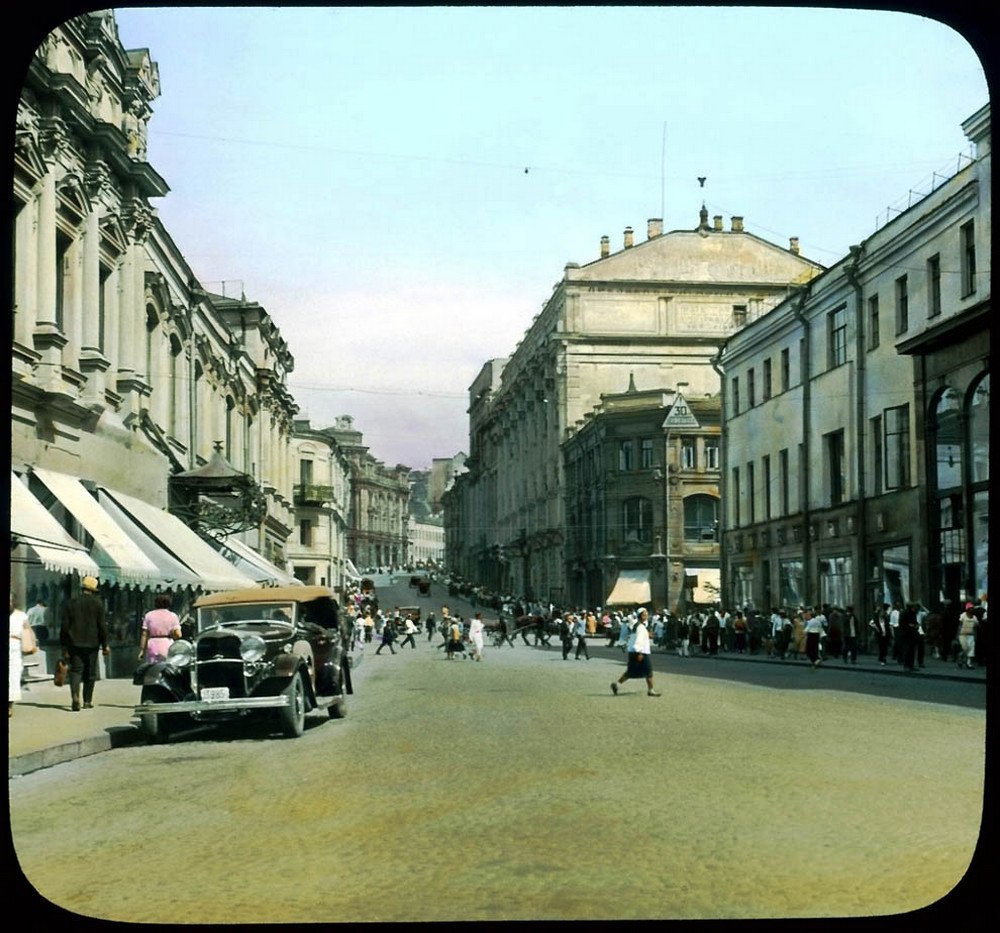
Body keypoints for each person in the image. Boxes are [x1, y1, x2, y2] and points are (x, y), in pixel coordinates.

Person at [60, 576, 109, 711]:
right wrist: (105, 645)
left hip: (74, 643)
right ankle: (87, 701)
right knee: (90, 672)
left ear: (83, 587)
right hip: (93, 644)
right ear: (94, 590)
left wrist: (64, 645)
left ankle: (75, 696)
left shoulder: (72, 603)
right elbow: (102, 626)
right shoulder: (98, 604)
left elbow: (64, 626)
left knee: (76, 671)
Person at [610, 608, 660, 696]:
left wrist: (647, 635)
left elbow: (635, 637)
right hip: (641, 652)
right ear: (640, 616)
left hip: (633, 651)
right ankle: (651, 690)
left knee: (630, 671)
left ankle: (617, 684)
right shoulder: (640, 627)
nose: (646, 617)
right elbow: (639, 640)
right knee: (649, 671)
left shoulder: (637, 626)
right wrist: (639, 652)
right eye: (644, 615)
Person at [138, 593, 182, 663]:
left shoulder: (149, 615)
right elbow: (178, 634)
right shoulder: (173, 616)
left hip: (152, 644)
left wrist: (142, 650)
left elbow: (144, 634)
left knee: (152, 667)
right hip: (167, 644)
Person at [10, 593, 33, 718]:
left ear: (14, 602)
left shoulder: (21, 616)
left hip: (14, 649)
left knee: (13, 677)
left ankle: (9, 705)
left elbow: (28, 630)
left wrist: (31, 643)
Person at [957, 603, 977, 669]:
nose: (972, 609)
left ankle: (969, 664)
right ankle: (960, 659)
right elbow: (960, 625)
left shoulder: (974, 617)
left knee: (971, 649)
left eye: (973, 608)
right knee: (964, 649)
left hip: (971, 635)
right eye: (971, 608)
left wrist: (975, 635)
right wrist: (957, 634)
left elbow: (976, 626)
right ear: (967, 609)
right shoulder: (963, 616)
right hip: (963, 635)